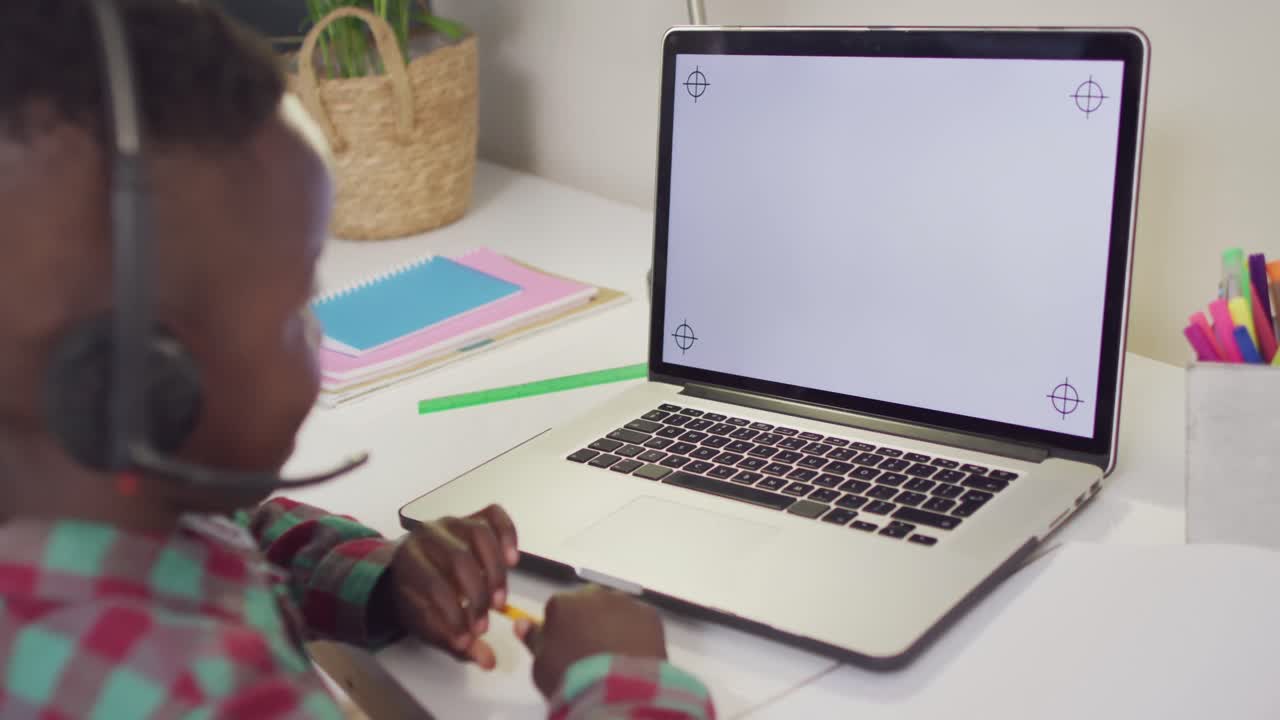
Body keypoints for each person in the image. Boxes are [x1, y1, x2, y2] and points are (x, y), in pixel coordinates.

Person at [0, 2, 716, 718]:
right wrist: (620, 679)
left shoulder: (86, 504)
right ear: (147, 373)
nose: (317, 335)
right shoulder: (190, 691)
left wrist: (382, 579)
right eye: (297, 309)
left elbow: (228, 533)